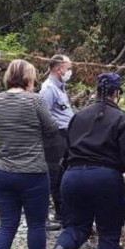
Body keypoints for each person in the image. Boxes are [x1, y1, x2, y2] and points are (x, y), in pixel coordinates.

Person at [38, 72, 125, 249]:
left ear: (97, 91)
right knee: (108, 231)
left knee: (75, 228)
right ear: (116, 93)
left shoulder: (77, 117)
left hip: (72, 177)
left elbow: (65, 153)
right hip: (106, 179)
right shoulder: (122, 120)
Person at [0, 59, 60, 249]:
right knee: (36, 225)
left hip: (1, 171)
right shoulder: (35, 100)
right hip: (32, 173)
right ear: (29, 78)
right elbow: (51, 128)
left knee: (7, 225)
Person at [39, 54, 75, 229]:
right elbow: (42, 115)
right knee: (55, 174)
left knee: (63, 173)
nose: (70, 72)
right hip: (54, 137)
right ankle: (57, 214)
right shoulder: (48, 89)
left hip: (65, 135)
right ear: (59, 68)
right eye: (68, 68)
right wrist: (53, 134)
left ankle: (63, 212)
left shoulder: (60, 87)